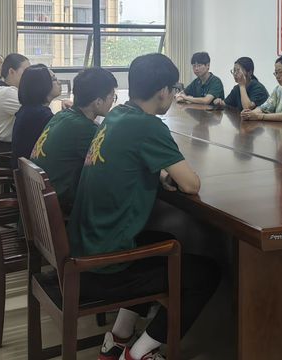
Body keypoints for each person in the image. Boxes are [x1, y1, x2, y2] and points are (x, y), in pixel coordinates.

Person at [69, 54, 220, 360]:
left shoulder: (117, 115)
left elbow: (130, 159)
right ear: (163, 91)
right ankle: (141, 351)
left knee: (166, 241)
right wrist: (169, 173)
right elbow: (191, 184)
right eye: (173, 89)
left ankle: (118, 337)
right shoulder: (148, 126)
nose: (174, 94)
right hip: (105, 266)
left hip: (85, 247)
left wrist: (160, 173)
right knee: (206, 274)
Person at [30, 67, 118, 214]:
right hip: (59, 209)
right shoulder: (84, 129)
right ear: (98, 102)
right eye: (112, 97)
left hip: (39, 203)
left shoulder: (62, 116)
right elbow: (111, 167)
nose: (112, 102)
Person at [10, 64, 62, 165]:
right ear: (41, 85)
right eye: (54, 79)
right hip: (35, 171)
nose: (59, 82)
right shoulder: (42, 116)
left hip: (25, 170)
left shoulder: (28, 110)